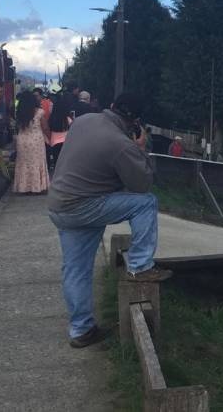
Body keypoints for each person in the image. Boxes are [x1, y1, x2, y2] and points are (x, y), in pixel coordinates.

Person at [47, 92, 171, 348]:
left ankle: (81, 330)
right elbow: (141, 184)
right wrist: (140, 149)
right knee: (146, 203)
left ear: (111, 106)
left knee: (76, 269)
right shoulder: (120, 143)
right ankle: (140, 267)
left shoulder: (83, 120)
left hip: (60, 204)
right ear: (134, 121)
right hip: (84, 205)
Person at [13, 91, 50, 194]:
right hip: (36, 141)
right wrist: (49, 138)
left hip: (22, 141)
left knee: (23, 163)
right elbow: (45, 127)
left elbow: (17, 127)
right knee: (37, 163)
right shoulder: (39, 112)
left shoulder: (19, 113)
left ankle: (24, 188)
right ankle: (37, 187)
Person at [47, 92, 74, 172]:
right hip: (65, 142)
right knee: (64, 160)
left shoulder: (52, 118)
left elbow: (49, 127)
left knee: (56, 159)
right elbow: (72, 126)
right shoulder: (67, 119)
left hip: (54, 142)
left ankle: (56, 172)